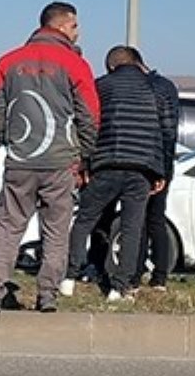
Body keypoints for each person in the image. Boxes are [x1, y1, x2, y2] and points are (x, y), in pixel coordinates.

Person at [0, 1, 100, 313]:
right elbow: (90, 115)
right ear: (61, 26)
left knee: (8, 227)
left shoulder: (8, 61)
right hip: (61, 161)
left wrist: (11, 136)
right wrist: (83, 154)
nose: (78, 32)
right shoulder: (75, 64)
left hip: (21, 159)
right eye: (75, 26)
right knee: (56, 231)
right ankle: (47, 295)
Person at [65, 46, 177, 302]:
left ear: (112, 66)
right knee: (132, 227)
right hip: (142, 168)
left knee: (84, 220)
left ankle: (69, 276)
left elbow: (88, 123)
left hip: (106, 163)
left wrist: (85, 163)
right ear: (138, 64)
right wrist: (163, 171)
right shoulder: (156, 88)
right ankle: (120, 287)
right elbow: (167, 131)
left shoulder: (101, 86)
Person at [131, 46, 181, 291]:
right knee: (156, 219)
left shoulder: (143, 89)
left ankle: (137, 271)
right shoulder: (166, 86)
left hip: (143, 160)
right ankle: (160, 276)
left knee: (137, 219)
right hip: (161, 161)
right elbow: (170, 131)